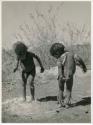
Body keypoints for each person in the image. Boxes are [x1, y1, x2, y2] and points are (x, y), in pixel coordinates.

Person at [50, 43, 87, 108]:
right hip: (70, 76)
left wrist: (61, 75)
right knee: (68, 89)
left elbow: (59, 67)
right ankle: (67, 103)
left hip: (61, 76)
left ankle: (60, 103)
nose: (55, 57)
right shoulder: (72, 54)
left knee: (60, 89)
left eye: (55, 55)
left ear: (58, 52)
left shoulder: (60, 58)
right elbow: (79, 59)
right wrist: (83, 67)